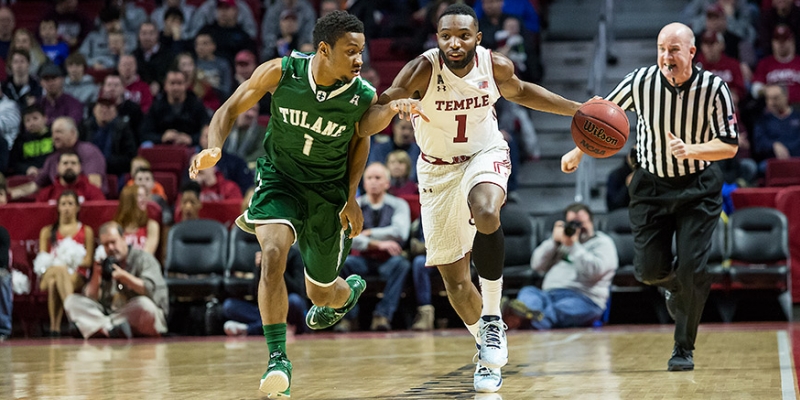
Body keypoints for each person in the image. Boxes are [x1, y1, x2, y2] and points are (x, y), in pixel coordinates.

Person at [189, 11, 424, 397]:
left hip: (326, 192)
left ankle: (346, 293)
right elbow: (228, 108)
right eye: (351, 52)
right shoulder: (281, 72)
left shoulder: (360, 93)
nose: (359, 60)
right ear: (323, 50)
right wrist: (213, 146)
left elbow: (364, 132)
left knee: (321, 294)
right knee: (273, 254)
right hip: (280, 180)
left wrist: (351, 195)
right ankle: (277, 357)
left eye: (362, 51)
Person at [355, 3, 582, 393]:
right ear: (436, 38)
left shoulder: (495, 66)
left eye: (463, 35)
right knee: (456, 282)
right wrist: (393, 108)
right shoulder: (421, 70)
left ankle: (492, 317)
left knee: (486, 209)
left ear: (477, 38)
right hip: (436, 169)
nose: (454, 43)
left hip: (484, 153)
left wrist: (579, 110)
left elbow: (526, 92)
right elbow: (367, 123)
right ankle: (487, 347)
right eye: (446, 35)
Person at [562, 22, 738, 372]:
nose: (665, 56)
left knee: (692, 268)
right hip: (651, 186)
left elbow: (729, 145)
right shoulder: (641, 81)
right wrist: (578, 151)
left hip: (697, 186)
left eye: (673, 49)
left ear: (691, 52)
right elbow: (599, 117)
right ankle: (673, 287)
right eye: (661, 48)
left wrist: (692, 150)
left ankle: (683, 347)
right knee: (647, 271)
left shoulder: (714, 88)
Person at [504, 203, 618, 330]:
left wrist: (573, 246)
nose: (577, 229)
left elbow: (595, 271)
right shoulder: (561, 242)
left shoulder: (602, 242)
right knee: (529, 292)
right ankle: (528, 316)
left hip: (585, 299)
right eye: (572, 224)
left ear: (591, 222)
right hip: (548, 295)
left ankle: (525, 321)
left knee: (556, 310)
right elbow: (536, 266)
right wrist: (553, 241)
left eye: (580, 224)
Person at [336, 162, 411, 332]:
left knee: (402, 265)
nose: (373, 182)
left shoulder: (399, 205)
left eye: (378, 178)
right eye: (369, 178)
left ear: (387, 183)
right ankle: (349, 317)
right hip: (361, 260)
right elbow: (348, 237)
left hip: (388, 261)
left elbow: (400, 233)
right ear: (363, 182)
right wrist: (378, 243)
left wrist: (369, 233)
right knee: (343, 264)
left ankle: (383, 316)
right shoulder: (355, 206)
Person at [63, 221, 169, 339]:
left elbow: (148, 288)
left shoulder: (144, 259)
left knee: (145, 306)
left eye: (113, 242)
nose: (111, 248)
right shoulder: (106, 263)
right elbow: (91, 298)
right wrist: (96, 275)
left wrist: (124, 276)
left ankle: (97, 327)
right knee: (71, 301)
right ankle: (111, 329)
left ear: (123, 238)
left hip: (135, 313)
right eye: (106, 245)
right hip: (112, 313)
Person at [34, 190, 94, 335]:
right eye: (63, 204)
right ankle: (74, 318)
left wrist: (70, 262)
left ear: (77, 207)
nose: (67, 207)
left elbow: (88, 261)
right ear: (58, 207)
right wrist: (60, 263)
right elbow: (42, 260)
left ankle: (55, 329)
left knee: (55, 282)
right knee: (58, 272)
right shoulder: (47, 232)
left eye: (70, 204)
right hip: (51, 271)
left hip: (76, 274)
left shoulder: (86, 231)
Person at [34, 151, 105, 204]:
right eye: (65, 163)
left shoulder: (93, 192)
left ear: (80, 167)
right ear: (58, 167)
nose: (69, 167)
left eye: (73, 163)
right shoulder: (46, 194)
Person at [114, 184, 160, 255]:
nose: (144, 199)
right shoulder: (115, 227)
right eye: (140, 196)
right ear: (128, 200)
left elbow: (147, 255)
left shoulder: (151, 225)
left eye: (145, 196)